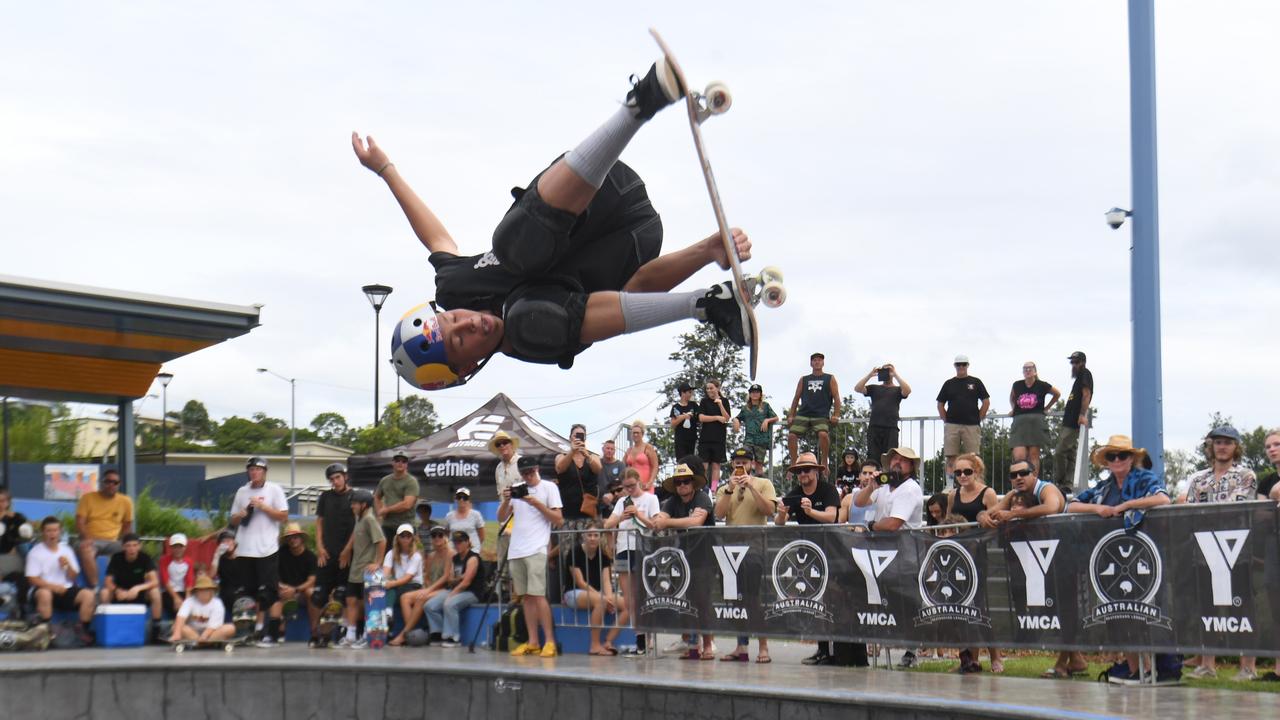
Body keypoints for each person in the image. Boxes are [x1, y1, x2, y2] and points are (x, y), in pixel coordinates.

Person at [356, 56, 756, 393]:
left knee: (515, 248)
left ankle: (640, 105)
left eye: (451, 318)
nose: (469, 321)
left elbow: (435, 237)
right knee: (535, 321)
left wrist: (385, 170)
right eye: (461, 339)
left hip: (603, 190)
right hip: (637, 236)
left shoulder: (455, 285)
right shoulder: (534, 344)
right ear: (466, 369)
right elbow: (632, 292)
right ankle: (707, 302)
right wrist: (706, 252)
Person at [1067, 435, 1171, 684]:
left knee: (1144, 614)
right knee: (1120, 616)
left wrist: (1128, 505)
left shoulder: (1144, 478)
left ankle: (1153, 668)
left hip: (1144, 558)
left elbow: (1163, 498)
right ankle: (1134, 670)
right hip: (1112, 562)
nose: (1117, 460)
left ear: (1132, 458)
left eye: (1122, 455)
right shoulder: (1104, 487)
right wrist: (1098, 509)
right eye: (1112, 456)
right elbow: (1070, 506)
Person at [1182, 425, 1258, 680]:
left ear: (1236, 447)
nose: (1222, 446)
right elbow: (1189, 513)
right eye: (1218, 442)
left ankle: (1248, 667)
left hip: (1237, 550)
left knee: (1242, 610)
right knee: (1207, 608)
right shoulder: (1198, 479)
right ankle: (1207, 665)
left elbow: (1236, 508)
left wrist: (1206, 514)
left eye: (1228, 442)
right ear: (1211, 446)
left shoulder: (1246, 475)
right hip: (1204, 551)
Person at [853, 448, 924, 668]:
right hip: (884, 551)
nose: (897, 463)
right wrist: (870, 486)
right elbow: (860, 503)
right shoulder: (884, 486)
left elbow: (894, 523)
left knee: (908, 601)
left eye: (903, 460)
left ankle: (912, 649)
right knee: (887, 599)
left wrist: (871, 526)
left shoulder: (910, 488)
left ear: (911, 466)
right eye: (894, 458)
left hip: (905, 552)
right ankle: (886, 644)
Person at [775, 452, 840, 665]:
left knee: (831, 599)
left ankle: (834, 650)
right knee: (814, 601)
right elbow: (779, 523)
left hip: (830, 550)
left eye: (806, 470)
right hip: (807, 555)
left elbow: (832, 517)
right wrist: (782, 511)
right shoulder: (794, 493)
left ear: (816, 472)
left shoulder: (828, 490)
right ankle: (822, 648)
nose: (802, 474)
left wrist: (811, 512)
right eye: (799, 471)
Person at [715, 447, 778, 664]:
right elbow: (719, 514)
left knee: (753, 599)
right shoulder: (725, 487)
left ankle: (763, 646)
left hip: (753, 548)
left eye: (744, 461)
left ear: (752, 464)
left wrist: (751, 486)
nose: (739, 465)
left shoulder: (763, 483)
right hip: (730, 549)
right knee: (733, 599)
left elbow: (769, 510)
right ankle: (741, 646)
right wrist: (730, 490)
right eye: (736, 462)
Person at [651, 457, 717, 660]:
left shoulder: (703, 498)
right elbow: (658, 520)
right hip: (683, 559)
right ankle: (692, 645)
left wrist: (668, 522)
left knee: (703, 601)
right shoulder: (672, 502)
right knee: (686, 602)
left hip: (705, 557)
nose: (681, 485)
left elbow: (696, 521)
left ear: (693, 482)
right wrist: (670, 521)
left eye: (685, 481)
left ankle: (708, 644)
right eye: (678, 482)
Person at [501, 455, 564, 657]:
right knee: (526, 597)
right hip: (517, 549)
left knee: (538, 595)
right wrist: (506, 500)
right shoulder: (517, 489)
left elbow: (558, 519)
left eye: (531, 472)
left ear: (537, 469)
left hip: (537, 548)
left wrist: (536, 504)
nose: (528, 476)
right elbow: (500, 517)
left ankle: (550, 641)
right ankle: (533, 641)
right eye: (525, 473)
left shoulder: (548, 488)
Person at [228, 456, 289, 646]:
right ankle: (249, 632)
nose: (255, 473)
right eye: (252, 469)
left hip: (267, 549)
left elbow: (283, 516)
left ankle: (269, 633)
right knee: (247, 593)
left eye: (258, 470)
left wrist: (264, 507)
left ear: (264, 472)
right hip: (245, 549)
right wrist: (241, 514)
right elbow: (233, 521)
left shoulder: (274, 489)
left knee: (268, 593)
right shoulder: (242, 491)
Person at [603, 467, 658, 656]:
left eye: (632, 486)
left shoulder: (651, 499)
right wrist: (620, 517)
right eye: (626, 487)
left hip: (642, 549)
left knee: (642, 595)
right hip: (623, 550)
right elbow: (607, 525)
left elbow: (655, 525)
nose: (629, 490)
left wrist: (639, 515)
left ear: (639, 482)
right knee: (629, 601)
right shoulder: (621, 501)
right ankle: (640, 638)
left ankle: (647, 638)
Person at [25, 516, 95, 640]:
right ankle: (45, 632)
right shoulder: (35, 552)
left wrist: (67, 566)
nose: (52, 534)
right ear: (43, 533)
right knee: (45, 594)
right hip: (43, 588)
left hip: (65, 588)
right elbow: (32, 579)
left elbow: (74, 576)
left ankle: (83, 630)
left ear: (60, 532)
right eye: (49, 531)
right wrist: (53, 587)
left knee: (88, 595)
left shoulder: (66, 550)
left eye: (55, 530)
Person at [339, 489, 385, 649]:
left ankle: (368, 635)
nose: (352, 506)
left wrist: (378, 563)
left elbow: (381, 541)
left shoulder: (369, 519)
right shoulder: (360, 518)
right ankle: (351, 635)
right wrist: (347, 549)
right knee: (351, 600)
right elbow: (355, 535)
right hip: (356, 568)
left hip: (368, 570)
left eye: (355, 503)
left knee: (368, 604)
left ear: (364, 505)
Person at [561, 524, 617, 656]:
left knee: (626, 603)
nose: (592, 538)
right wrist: (603, 598)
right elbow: (580, 582)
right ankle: (595, 645)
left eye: (596, 535)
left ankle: (608, 641)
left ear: (600, 537)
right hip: (573, 593)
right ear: (583, 536)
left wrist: (609, 598)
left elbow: (606, 581)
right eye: (589, 535)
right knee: (601, 601)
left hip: (597, 595)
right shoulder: (574, 552)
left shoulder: (603, 555)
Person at [75, 467, 133, 588]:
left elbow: (127, 525)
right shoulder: (88, 498)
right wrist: (86, 538)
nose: (111, 485)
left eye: (115, 482)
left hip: (113, 542)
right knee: (86, 550)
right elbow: (80, 522)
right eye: (108, 481)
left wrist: (125, 542)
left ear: (119, 485)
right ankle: (95, 587)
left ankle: (126, 588)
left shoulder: (126, 501)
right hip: (92, 540)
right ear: (102, 482)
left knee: (132, 551)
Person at [425, 530, 483, 648]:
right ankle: (438, 632)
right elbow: (450, 579)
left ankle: (453, 637)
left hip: (472, 592)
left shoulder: (473, 558)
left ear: (467, 542)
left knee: (449, 604)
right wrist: (459, 578)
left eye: (460, 542)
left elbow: (466, 582)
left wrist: (454, 591)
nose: (458, 545)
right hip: (455, 589)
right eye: (455, 542)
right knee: (429, 606)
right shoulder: (455, 558)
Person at [396, 526, 453, 644]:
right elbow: (426, 576)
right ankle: (413, 634)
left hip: (446, 589)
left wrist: (428, 590)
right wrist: (426, 588)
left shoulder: (450, 553)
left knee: (421, 598)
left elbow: (446, 577)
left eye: (440, 535)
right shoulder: (431, 556)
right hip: (432, 589)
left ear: (445, 537)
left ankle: (404, 635)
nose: (437, 538)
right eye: (433, 536)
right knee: (404, 597)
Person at [100, 532, 162, 639]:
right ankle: (107, 628)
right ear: (123, 547)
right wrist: (117, 591)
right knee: (104, 593)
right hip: (120, 594)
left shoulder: (145, 558)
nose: (132, 549)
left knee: (155, 592)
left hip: (139, 594)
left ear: (139, 546)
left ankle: (156, 631)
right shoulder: (116, 558)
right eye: (128, 546)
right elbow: (108, 581)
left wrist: (138, 588)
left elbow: (155, 581)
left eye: (134, 545)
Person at [936, 355, 990, 479]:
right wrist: (946, 420)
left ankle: (976, 483)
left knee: (973, 457)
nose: (961, 367)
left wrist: (978, 418)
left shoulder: (976, 382)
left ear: (967, 365)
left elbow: (986, 401)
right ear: (955, 366)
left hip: (971, 425)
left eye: (963, 364)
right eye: (958, 364)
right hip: (952, 425)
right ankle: (950, 485)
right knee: (951, 456)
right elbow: (940, 404)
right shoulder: (949, 383)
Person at [786, 353, 841, 473]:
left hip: (820, 414)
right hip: (804, 413)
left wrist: (836, 414)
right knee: (791, 435)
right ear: (811, 363)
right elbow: (796, 398)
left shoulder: (829, 378)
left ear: (823, 363)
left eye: (819, 360)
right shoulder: (804, 379)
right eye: (814, 360)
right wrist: (791, 415)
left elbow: (836, 397)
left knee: (823, 434)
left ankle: (824, 461)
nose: (817, 362)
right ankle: (794, 462)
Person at [314, 463, 355, 624]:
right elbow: (319, 522)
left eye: (338, 477)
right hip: (327, 552)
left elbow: (358, 525)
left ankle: (344, 631)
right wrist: (319, 546)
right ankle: (318, 632)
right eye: (332, 479)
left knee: (342, 594)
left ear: (345, 477)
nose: (335, 481)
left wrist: (348, 549)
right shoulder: (325, 497)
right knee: (318, 596)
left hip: (346, 553)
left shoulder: (355, 496)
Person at [977, 459, 1066, 528]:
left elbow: (1051, 508)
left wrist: (1013, 514)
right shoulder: (1013, 493)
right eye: (1013, 475)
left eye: (1023, 473)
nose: (1018, 478)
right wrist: (982, 516)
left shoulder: (1047, 488)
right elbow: (990, 512)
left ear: (1034, 474)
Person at [855, 364, 912, 463]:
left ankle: (889, 477)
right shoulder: (874, 388)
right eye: (884, 370)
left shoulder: (898, 389)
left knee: (890, 456)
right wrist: (870, 375)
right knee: (873, 456)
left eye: (889, 370)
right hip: (874, 427)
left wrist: (895, 375)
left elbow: (907, 391)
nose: (886, 373)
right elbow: (858, 388)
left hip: (891, 428)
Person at [1008, 362, 1061, 468]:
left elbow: (1057, 394)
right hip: (1019, 423)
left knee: (1033, 455)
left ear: (1035, 371)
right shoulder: (1017, 385)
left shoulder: (1042, 385)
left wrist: (1047, 408)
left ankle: (1033, 482)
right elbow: (1012, 397)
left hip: (1036, 423)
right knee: (1019, 456)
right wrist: (1013, 409)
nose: (1027, 371)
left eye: (1030, 368)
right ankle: (1020, 481)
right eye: (1025, 369)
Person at [1053, 351, 1093, 490]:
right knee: (1070, 454)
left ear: (1082, 362)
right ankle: (1067, 484)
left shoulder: (1085, 374)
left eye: (1076, 362)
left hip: (1074, 421)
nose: (1073, 365)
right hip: (1068, 419)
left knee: (1060, 451)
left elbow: (1086, 394)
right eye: (1072, 362)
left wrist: (1082, 414)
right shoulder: (1078, 378)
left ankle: (1060, 481)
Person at [274, 522, 317, 642]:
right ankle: (280, 632)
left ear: (301, 539)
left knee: (311, 592)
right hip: (284, 590)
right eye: (290, 538)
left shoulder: (311, 557)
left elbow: (312, 580)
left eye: (295, 537)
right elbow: (273, 574)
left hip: (301, 591)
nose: (293, 540)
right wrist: (282, 586)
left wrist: (296, 589)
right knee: (278, 593)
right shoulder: (281, 554)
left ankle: (314, 632)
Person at [385, 525, 426, 646]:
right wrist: (382, 582)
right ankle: (387, 617)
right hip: (398, 584)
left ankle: (405, 631)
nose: (405, 539)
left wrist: (390, 583)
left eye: (408, 536)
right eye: (402, 536)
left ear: (412, 538)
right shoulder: (391, 553)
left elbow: (408, 577)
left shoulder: (416, 556)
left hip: (413, 585)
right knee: (383, 590)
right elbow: (386, 571)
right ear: (397, 538)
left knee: (395, 590)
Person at [557, 423, 602, 529]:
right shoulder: (561, 456)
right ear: (570, 438)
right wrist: (572, 452)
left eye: (582, 435)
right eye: (576, 435)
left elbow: (598, 469)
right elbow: (560, 468)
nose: (579, 437)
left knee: (590, 544)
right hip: (568, 512)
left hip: (589, 512)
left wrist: (586, 454)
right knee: (568, 545)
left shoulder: (592, 456)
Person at [169, 575, 236, 643]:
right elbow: (181, 617)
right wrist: (176, 634)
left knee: (230, 628)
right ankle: (203, 643)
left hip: (212, 633)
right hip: (192, 631)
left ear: (211, 592)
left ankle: (202, 642)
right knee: (175, 627)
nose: (203, 592)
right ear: (196, 592)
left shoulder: (217, 603)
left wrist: (204, 636)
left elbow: (213, 626)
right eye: (201, 590)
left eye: (206, 590)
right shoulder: (189, 601)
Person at [488, 430, 521, 565]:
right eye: (498, 444)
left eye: (505, 442)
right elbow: (500, 496)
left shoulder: (522, 462)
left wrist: (514, 492)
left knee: (518, 565)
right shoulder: (498, 469)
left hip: (521, 521)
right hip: (504, 523)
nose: (502, 446)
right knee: (503, 566)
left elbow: (532, 489)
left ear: (511, 444)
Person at [733, 384, 779, 474]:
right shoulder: (745, 408)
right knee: (744, 460)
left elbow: (776, 417)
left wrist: (767, 420)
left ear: (761, 394)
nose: (755, 394)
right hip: (749, 439)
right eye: (753, 392)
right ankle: (744, 484)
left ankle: (759, 486)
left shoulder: (765, 406)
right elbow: (738, 417)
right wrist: (735, 420)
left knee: (759, 465)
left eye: (757, 392)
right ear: (749, 394)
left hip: (761, 439)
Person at [376, 452, 420, 546]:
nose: (400, 463)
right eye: (397, 460)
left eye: (403, 461)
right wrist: (380, 510)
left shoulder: (411, 481)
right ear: (393, 462)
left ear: (407, 464)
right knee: (386, 556)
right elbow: (377, 496)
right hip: (387, 525)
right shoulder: (384, 480)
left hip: (406, 526)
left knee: (408, 557)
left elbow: (407, 504)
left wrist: (386, 509)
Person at [697, 380, 732, 492]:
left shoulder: (725, 401)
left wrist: (720, 404)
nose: (709, 391)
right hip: (706, 438)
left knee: (716, 465)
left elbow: (726, 418)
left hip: (719, 438)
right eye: (707, 388)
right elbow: (701, 418)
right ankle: (702, 488)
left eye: (711, 388)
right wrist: (716, 418)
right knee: (704, 465)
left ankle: (713, 489)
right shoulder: (704, 401)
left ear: (717, 388)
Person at [0, 488, 32, 609]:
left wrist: (15, 543)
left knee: (22, 546)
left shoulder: (17, 518)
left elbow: (25, 537)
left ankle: (22, 609)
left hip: (12, 557)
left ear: (8, 502)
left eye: (3, 501)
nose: (0, 504)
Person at [945, 454, 997, 524]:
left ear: (976, 472)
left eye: (967, 472)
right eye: (958, 473)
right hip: (958, 535)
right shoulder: (953, 494)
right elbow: (948, 521)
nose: (962, 476)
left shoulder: (988, 493)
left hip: (981, 534)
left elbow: (995, 522)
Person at [158, 532, 195, 619]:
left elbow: (189, 582)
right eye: (175, 547)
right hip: (168, 592)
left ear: (184, 547)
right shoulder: (164, 560)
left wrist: (187, 598)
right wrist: (176, 598)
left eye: (180, 546)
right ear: (171, 548)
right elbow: (165, 581)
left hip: (183, 592)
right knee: (177, 607)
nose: (178, 549)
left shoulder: (189, 562)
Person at [838, 461, 881, 527]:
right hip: (853, 536)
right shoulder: (849, 498)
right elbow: (839, 525)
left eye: (871, 473)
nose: (867, 477)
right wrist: (853, 529)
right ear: (859, 476)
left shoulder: (883, 497)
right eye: (864, 473)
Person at [624, 420, 661, 495]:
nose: (635, 435)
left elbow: (655, 466)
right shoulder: (629, 450)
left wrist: (650, 482)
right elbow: (622, 466)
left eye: (638, 433)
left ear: (642, 434)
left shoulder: (648, 447)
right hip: (632, 488)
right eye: (634, 433)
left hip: (645, 486)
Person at [669, 383, 701, 463]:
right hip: (680, 439)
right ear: (683, 393)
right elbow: (673, 424)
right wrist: (683, 417)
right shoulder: (676, 407)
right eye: (689, 392)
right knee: (681, 461)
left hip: (692, 438)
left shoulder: (693, 405)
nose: (691, 394)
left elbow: (699, 418)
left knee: (691, 461)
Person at [598, 439, 627, 512]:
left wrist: (612, 494)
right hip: (597, 502)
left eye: (612, 449)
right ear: (603, 449)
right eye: (607, 448)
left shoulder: (620, 465)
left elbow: (622, 484)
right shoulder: (597, 463)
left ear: (614, 451)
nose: (609, 451)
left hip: (613, 503)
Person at [1264, 429, 1280, 501]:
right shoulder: (1265, 483)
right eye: (1268, 447)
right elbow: (1260, 511)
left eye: (1277, 444)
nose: (1271, 449)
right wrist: (1271, 498)